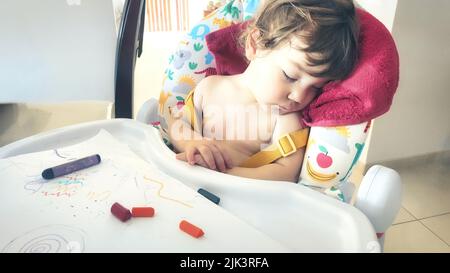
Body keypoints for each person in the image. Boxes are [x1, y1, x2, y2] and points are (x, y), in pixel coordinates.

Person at [168, 0, 359, 182]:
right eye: (290, 76)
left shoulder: (285, 118)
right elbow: (178, 125)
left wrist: (225, 175)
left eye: (316, 88)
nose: (300, 96)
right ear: (255, 44)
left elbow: (286, 173)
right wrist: (191, 143)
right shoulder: (210, 87)